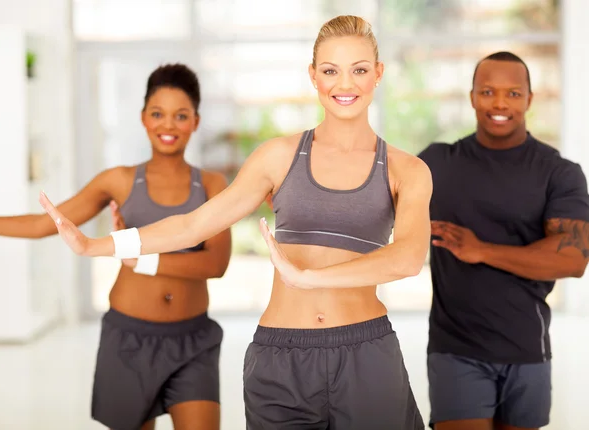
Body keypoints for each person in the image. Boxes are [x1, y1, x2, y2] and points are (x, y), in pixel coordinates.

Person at [40, 15, 431, 430]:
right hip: (282, 357)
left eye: (359, 70)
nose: (345, 84)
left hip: (366, 352)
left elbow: (407, 258)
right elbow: (192, 226)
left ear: (378, 74)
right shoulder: (278, 157)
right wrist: (94, 246)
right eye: (331, 71)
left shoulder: (407, 170)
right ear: (313, 76)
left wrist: (308, 277)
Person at [0, 63, 232, 430]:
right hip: (129, 339)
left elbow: (215, 264)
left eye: (180, 116)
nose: (168, 125)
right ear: (143, 118)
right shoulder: (118, 180)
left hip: (192, 340)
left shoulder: (212, 185)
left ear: (195, 122)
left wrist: (140, 260)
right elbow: (45, 224)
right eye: (158, 114)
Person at [418, 51, 589, 430]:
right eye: (488, 92)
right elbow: (372, 194)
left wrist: (481, 251)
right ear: (472, 96)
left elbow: (573, 259)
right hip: (455, 348)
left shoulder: (558, 172)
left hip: (526, 349)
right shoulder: (438, 162)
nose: (499, 103)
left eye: (512, 93)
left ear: (529, 98)